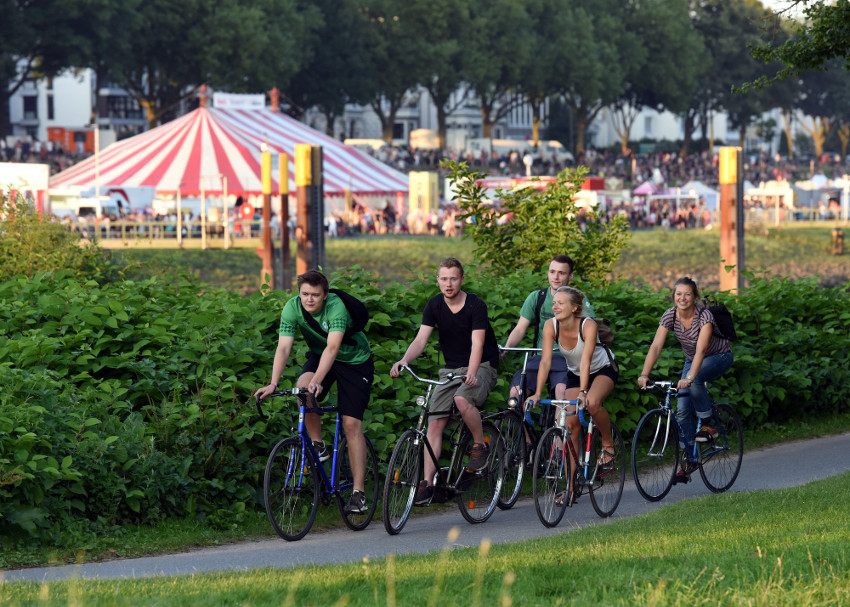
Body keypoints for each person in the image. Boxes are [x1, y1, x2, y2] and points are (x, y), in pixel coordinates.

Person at [254, 270, 374, 514]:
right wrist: (273, 383)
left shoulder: (336, 307)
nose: (309, 299)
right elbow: (284, 348)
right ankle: (318, 445)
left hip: (354, 362)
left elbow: (333, 347)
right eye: (304, 294)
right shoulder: (292, 307)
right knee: (302, 389)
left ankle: (358, 493)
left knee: (351, 425)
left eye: (315, 295)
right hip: (321, 358)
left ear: (325, 296)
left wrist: (318, 380)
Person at [389, 257, 500, 506]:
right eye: (443, 279)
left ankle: (480, 446)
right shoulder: (435, 305)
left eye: (453, 278)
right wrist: (404, 360)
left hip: (482, 365)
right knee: (435, 423)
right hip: (450, 369)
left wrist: (472, 373)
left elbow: (478, 344)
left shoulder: (475, 305)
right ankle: (427, 483)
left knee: (462, 398)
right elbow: (420, 340)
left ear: (461, 279)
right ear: (437, 280)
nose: (448, 284)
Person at [637, 276, 734, 484]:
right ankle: (689, 459)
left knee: (696, 380)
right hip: (692, 360)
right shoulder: (670, 315)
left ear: (695, 296)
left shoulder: (704, 316)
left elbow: (701, 350)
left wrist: (689, 378)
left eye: (687, 294)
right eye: (678, 294)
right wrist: (645, 374)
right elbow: (655, 347)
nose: (682, 298)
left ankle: (708, 424)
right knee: (681, 410)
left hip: (718, 356)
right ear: (673, 296)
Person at [526, 286, 618, 503]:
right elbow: (546, 362)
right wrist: (537, 393)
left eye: (560, 303)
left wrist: (584, 393)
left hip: (602, 369)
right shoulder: (551, 326)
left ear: (575, 307)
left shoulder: (588, 325)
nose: (554, 306)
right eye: (554, 302)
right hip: (575, 373)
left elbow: (586, 360)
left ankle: (607, 443)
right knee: (570, 426)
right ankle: (570, 487)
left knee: (593, 403)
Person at [503, 255, 595, 413]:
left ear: (570, 276)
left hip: (566, 359)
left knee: (562, 392)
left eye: (561, 273)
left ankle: (558, 436)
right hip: (540, 357)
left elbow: (588, 329)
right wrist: (506, 348)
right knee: (515, 393)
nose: (556, 277)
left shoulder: (578, 301)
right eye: (552, 272)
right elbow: (520, 329)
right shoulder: (537, 298)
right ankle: (524, 437)